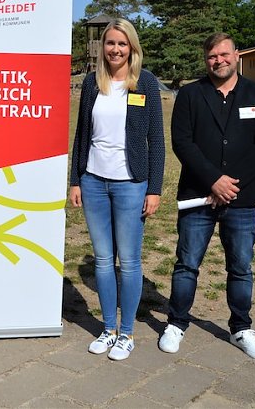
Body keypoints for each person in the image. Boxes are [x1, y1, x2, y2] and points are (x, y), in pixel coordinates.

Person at [158, 32, 255, 360]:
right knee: (187, 264)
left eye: (224, 54)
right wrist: (213, 180)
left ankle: (241, 328)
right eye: (212, 56)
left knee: (240, 267)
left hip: (242, 196)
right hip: (199, 194)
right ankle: (177, 323)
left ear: (236, 55)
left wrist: (230, 185)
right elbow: (183, 142)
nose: (218, 60)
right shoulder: (191, 95)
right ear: (205, 58)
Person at [69, 18, 165, 361]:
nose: (116, 49)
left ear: (132, 48)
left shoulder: (146, 84)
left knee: (130, 260)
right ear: (103, 47)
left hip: (130, 185)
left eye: (122, 44)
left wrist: (154, 189)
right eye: (111, 43)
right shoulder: (92, 84)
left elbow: (156, 141)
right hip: (94, 181)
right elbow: (81, 135)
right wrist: (76, 180)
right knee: (104, 261)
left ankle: (127, 334)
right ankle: (108, 329)